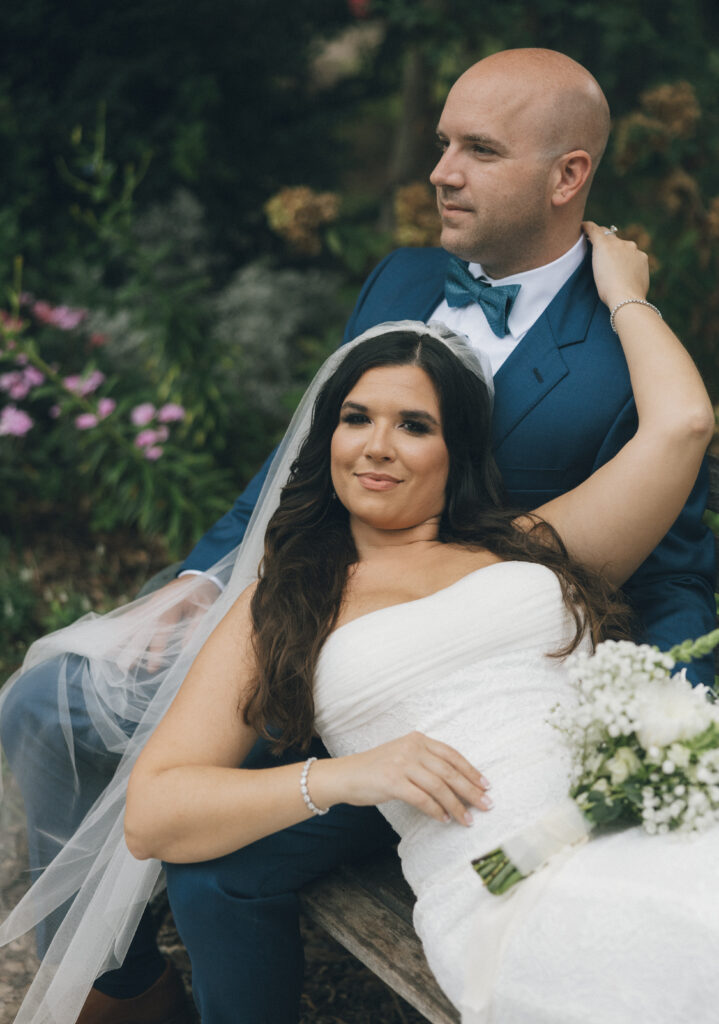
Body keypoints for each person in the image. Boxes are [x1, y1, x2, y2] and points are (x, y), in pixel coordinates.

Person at [0, 46, 715, 1023]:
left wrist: (664, 739)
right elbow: (302, 455)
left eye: (477, 150)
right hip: (307, 633)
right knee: (46, 696)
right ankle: (119, 984)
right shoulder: (404, 276)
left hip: (477, 695)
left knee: (216, 875)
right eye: (439, 144)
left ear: (567, 176)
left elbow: (674, 569)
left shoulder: (622, 361)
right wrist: (205, 576)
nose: (438, 172)